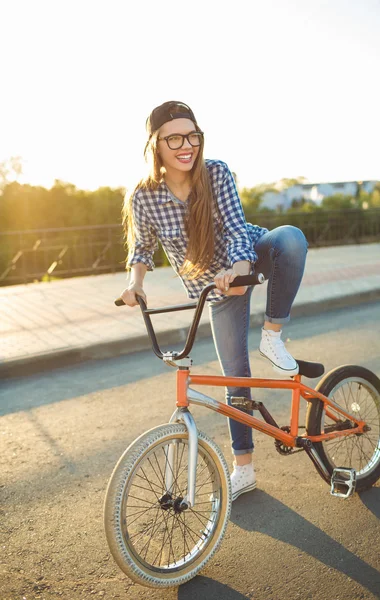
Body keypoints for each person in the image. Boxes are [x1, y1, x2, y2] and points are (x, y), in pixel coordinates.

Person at [120, 101, 308, 501]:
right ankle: (245, 469)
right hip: (214, 286)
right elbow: (141, 247)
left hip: (252, 254)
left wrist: (239, 270)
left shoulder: (215, 172)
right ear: (155, 143)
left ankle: (273, 334)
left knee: (291, 238)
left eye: (193, 135)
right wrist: (134, 285)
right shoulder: (143, 196)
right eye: (175, 137)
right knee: (233, 376)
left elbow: (238, 227)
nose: (186, 145)